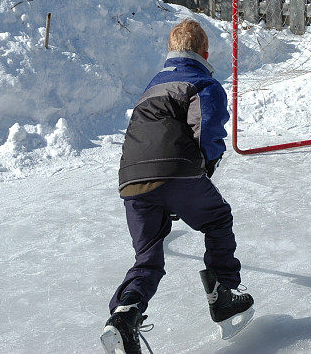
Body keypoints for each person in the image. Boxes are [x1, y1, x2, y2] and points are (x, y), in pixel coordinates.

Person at [101, 19, 254, 354]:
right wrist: (205, 168)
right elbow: (208, 130)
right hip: (176, 170)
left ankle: (125, 314)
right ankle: (225, 293)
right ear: (205, 52)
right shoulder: (203, 82)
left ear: (169, 52)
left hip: (130, 179)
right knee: (216, 219)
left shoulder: (152, 86)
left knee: (147, 258)